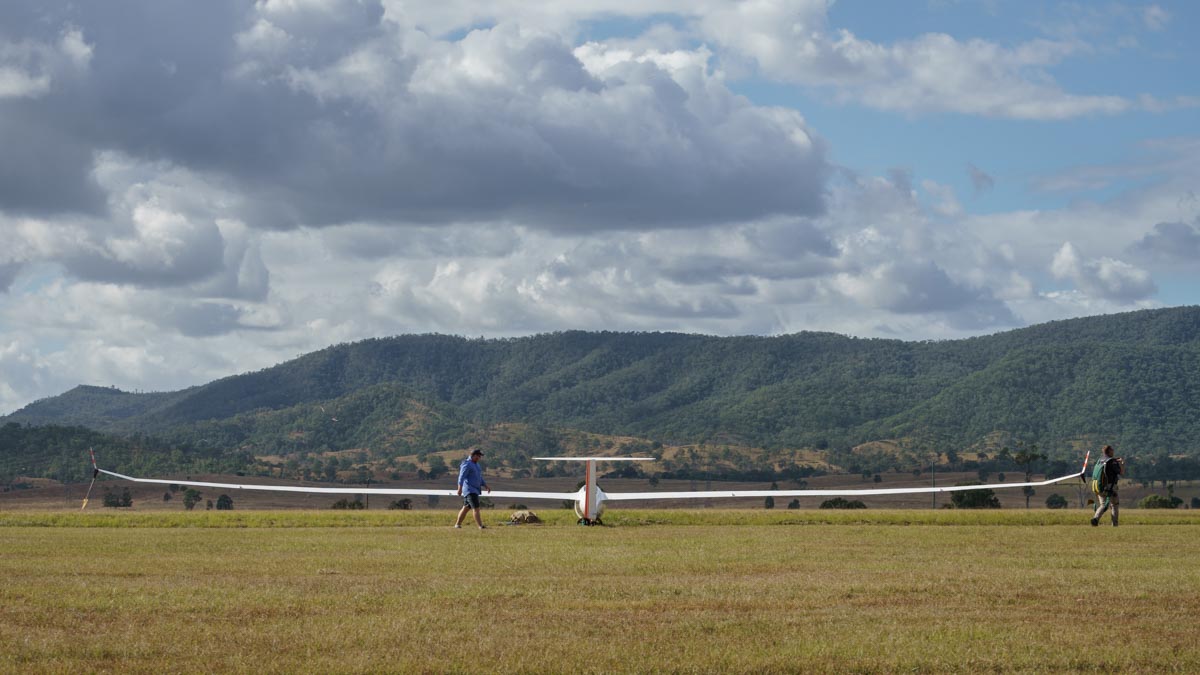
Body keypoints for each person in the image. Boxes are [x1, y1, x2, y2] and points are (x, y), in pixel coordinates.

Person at [454, 449, 491, 529]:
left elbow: (479, 477)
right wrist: (459, 489)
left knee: (466, 508)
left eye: (480, 456)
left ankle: (457, 524)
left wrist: (485, 485)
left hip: (475, 489)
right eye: (478, 456)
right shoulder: (467, 464)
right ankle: (480, 526)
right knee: (476, 508)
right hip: (469, 490)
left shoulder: (477, 465)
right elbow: (461, 477)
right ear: (473, 455)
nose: (479, 458)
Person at [1091, 445, 1124, 527]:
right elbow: (1121, 472)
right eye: (1112, 450)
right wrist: (1122, 464)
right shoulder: (1112, 462)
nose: (1113, 451)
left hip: (1100, 486)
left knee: (1103, 505)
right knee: (1114, 505)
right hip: (1111, 487)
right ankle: (1114, 524)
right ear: (1109, 451)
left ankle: (1095, 518)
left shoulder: (1100, 460)